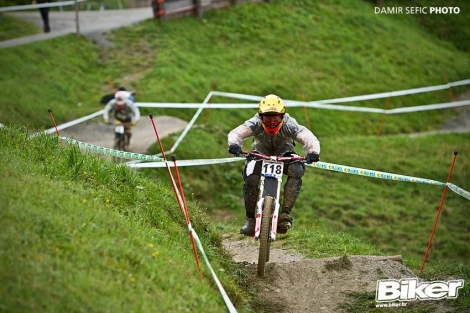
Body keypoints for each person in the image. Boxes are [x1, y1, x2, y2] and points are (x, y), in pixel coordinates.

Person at [227, 94, 320, 236]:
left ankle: (285, 214)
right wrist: (234, 144)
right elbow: (237, 133)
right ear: (260, 116)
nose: (271, 122)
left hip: (285, 154)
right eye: (267, 118)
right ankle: (250, 219)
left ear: (282, 116)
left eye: (276, 118)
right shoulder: (255, 123)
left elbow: (307, 137)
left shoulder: (289, 124)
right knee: (251, 178)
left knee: (297, 169)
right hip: (259, 154)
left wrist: (313, 151)